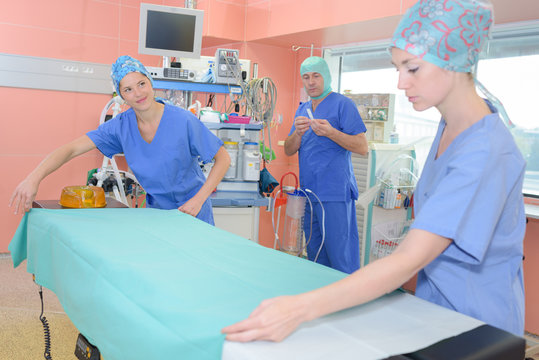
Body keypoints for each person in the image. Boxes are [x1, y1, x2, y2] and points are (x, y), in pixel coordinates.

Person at [222, 0, 525, 341]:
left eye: (412, 68)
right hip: (434, 310)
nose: (400, 83)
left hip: (477, 323)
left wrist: (298, 308)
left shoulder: (485, 150)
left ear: (453, 62)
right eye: (397, 68)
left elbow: (411, 257)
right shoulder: (450, 126)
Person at [9, 55, 230, 225]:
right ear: (121, 95)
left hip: (194, 213)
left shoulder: (182, 120)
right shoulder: (120, 127)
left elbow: (223, 159)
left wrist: (199, 199)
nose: (138, 93)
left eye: (141, 84)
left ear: (150, 83)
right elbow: (71, 149)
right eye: (128, 89)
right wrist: (33, 178)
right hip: (158, 216)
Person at [284, 56, 368, 274]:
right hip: (309, 194)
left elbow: (362, 146)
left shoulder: (343, 105)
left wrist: (332, 133)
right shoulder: (302, 110)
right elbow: (288, 149)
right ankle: (322, 302)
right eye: (306, 77)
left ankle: (349, 302)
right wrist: (297, 133)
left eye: (316, 76)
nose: (311, 81)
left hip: (335, 193)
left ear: (326, 77)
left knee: (340, 256)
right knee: (315, 254)